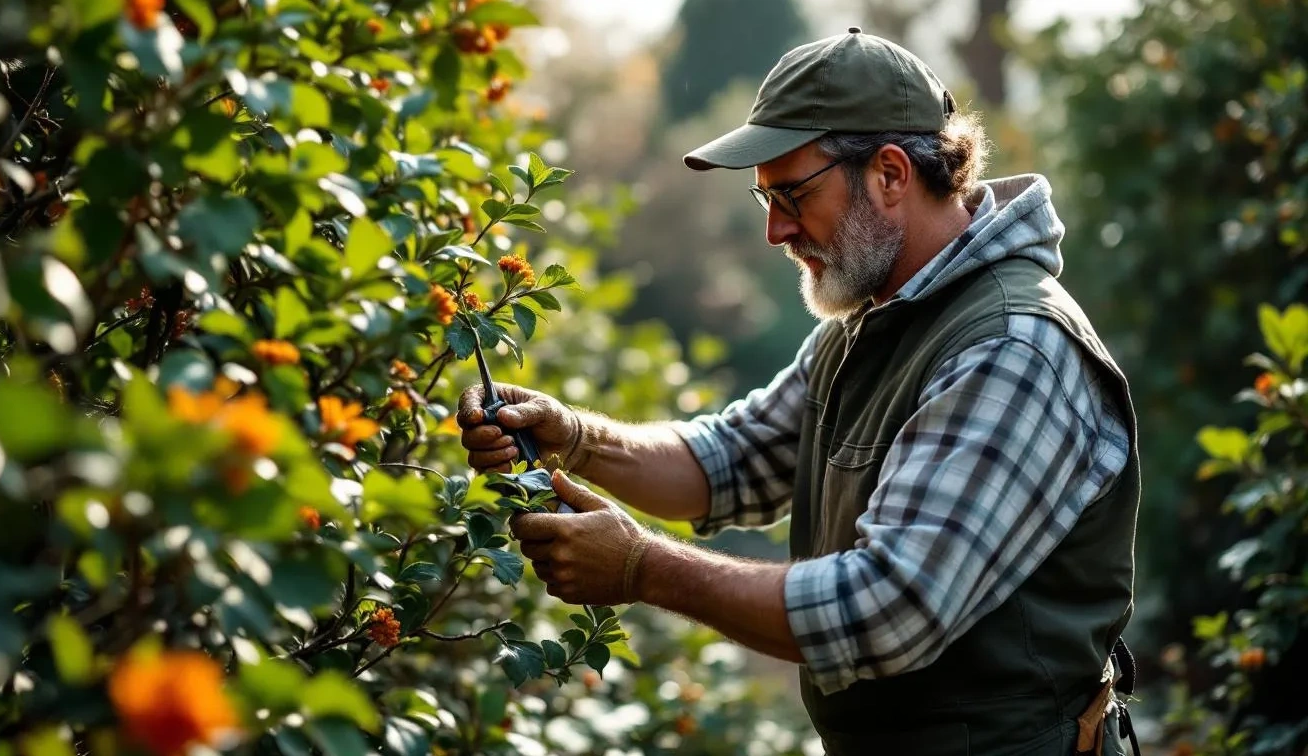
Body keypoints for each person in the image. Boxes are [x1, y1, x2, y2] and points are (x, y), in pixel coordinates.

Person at [458, 27, 1141, 756]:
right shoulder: (870, 320)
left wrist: (641, 567)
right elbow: (730, 462)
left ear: (889, 175)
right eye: (765, 199)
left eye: (792, 194)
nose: (775, 230)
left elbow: (887, 609)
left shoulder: (1010, 347)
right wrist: (575, 438)